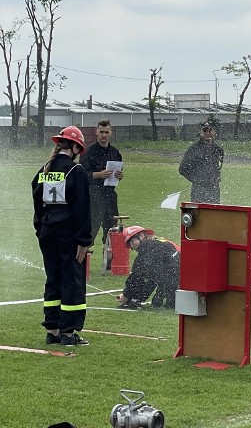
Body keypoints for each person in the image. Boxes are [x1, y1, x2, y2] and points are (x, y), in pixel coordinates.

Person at [32, 126, 92, 346]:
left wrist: (40, 228)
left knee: (53, 278)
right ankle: (68, 332)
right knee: (72, 281)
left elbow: (37, 203)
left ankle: (53, 329)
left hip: (47, 232)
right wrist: (83, 241)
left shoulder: (44, 170)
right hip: (68, 235)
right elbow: (83, 209)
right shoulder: (75, 171)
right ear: (76, 147)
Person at [80, 119, 124, 247]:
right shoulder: (87, 153)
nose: (104, 135)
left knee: (111, 232)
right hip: (93, 196)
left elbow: (119, 173)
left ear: (111, 132)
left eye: (106, 132)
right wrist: (100, 174)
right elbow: (82, 176)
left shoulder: (115, 153)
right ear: (96, 132)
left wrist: (120, 176)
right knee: (90, 231)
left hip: (110, 196)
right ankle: (84, 263)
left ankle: (109, 264)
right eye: (101, 132)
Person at [116, 226, 180, 309]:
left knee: (167, 305)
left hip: (180, 279)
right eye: (130, 244)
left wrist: (126, 295)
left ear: (142, 235)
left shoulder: (147, 250)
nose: (132, 246)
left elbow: (136, 276)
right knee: (158, 303)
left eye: (132, 241)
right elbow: (151, 277)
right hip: (177, 278)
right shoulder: (155, 245)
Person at [179, 119, 224, 204]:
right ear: (200, 132)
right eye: (205, 130)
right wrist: (197, 180)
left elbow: (217, 168)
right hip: (198, 191)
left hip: (214, 190)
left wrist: (214, 180)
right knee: (198, 216)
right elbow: (182, 169)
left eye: (210, 130)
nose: (207, 133)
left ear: (214, 132)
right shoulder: (193, 149)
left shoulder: (218, 150)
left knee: (214, 215)